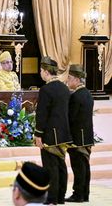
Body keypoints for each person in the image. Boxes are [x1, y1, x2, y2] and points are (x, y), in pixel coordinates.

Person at [35, 57, 71, 205]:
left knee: (51, 167)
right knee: (61, 165)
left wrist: (38, 134)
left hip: (50, 134)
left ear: (45, 71)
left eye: (41, 71)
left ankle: (51, 198)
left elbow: (42, 114)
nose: (41, 74)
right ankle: (61, 197)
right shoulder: (64, 88)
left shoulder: (46, 89)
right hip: (63, 133)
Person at [66, 64, 94, 203]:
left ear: (77, 80)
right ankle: (85, 193)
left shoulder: (76, 96)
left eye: (70, 78)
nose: (68, 81)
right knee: (85, 167)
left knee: (78, 168)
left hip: (78, 138)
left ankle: (78, 194)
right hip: (87, 136)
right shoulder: (88, 94)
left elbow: (71, 118)